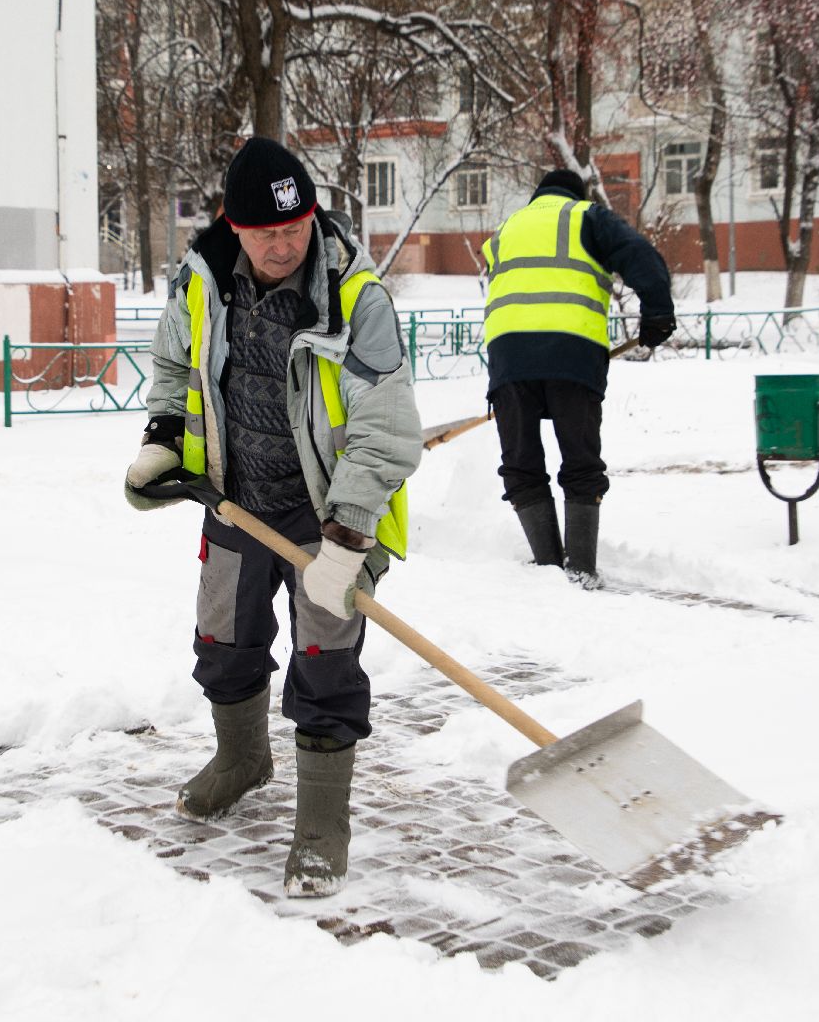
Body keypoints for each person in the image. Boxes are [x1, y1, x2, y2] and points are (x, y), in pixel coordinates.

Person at [123, 136, 421, 898]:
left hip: (326, 515)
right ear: (236, 227)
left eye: (297, 228)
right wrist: (162, 442)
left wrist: (348, 536)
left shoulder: (357, 300)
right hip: (232, 496)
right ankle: (242, 760)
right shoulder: (201, 283)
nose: (286, 245)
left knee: (325, 662)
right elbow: (170, 365)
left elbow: (384, 429)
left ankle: (323, 822)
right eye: (267, 234)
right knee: (224, 640)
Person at [480, 168, 674, 584]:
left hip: (509, 357)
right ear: (576, 193)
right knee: (580, 460)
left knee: (521, 463)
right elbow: (640, 255)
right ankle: (581, 569)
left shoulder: (506, 228)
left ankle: (548, 568)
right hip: (572, 354)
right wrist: (657, 312)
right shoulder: (587, 216)